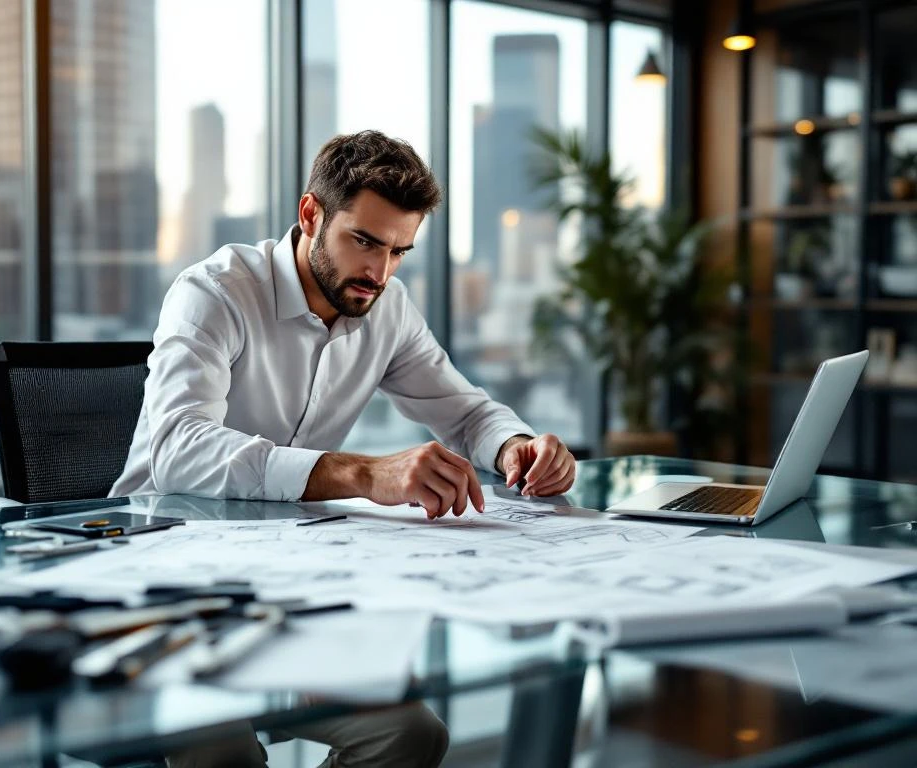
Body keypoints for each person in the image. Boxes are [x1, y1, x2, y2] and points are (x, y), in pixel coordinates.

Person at [113, 130, 577, 767]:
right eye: (364, 241)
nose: (379, 273)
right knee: (225, 755)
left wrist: (515, 448)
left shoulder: (384, 308)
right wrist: (363, 473)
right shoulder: (215, 293)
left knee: (410, 736)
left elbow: (464, 411)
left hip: (283, 591)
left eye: (398, 251)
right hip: (163, 593)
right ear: (310, 216)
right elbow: (177, 449)